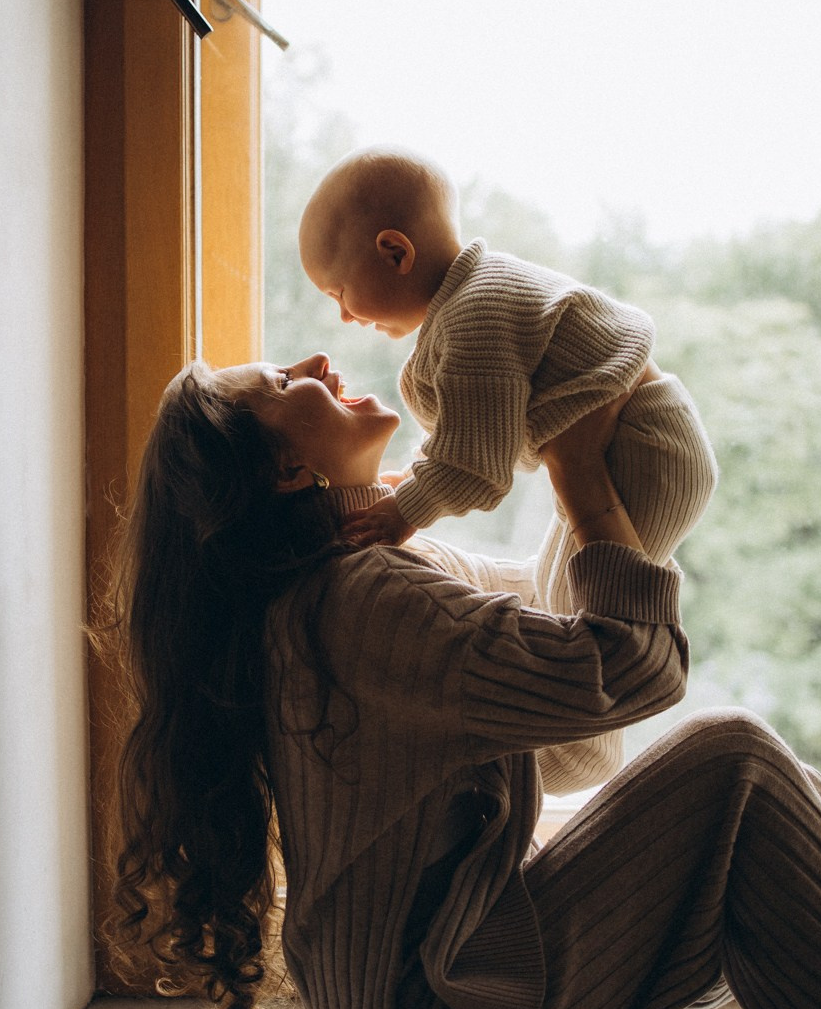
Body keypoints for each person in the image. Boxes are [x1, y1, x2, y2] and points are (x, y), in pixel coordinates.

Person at [109, 351, 821, 1009]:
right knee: (737, 760)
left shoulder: (363, 582)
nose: (314, 360)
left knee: (774, 781)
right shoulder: (356, 605)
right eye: (279, 382)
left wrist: (588, 429)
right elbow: (625, 671)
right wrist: (581, 481)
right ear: (286, 469)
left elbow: (547, 620)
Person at [298, 146, 718, 790]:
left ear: (394, 252)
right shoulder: (474, 299)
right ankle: (563, 749)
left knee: (571, 607)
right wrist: (405, 491)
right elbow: (468, 440)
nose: (346, 318)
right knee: (556, 591)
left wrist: (403, 512)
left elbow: (474, 465)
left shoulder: (475, 319)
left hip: (648, 449)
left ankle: (572, 750)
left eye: (341, 294)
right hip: (641, 442)